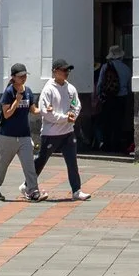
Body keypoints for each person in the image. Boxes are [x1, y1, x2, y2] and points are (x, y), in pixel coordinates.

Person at [37, 58, 89, 200]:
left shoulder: (71, 88)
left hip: (68, 132)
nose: (67, 73)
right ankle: (28, 184)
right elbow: (46, 113)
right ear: (55, 72)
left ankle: (76, 190)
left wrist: (73, 115)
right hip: (51, 133)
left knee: (72, 162)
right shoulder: (48, 90)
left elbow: (76, 105)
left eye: (68, 70)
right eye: (64, 70)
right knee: (41, 159)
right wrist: (64, 118)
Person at [0, 63, 39, 202]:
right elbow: (7, 114)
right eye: (20, 76)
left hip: (24, 136)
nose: (23, 78)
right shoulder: (9, 92)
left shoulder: (28, 91)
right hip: (7, 136)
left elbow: (33, 110)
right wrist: (17, 101)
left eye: (24, 75)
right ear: (13, 77)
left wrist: (46, 110)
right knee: (2, 164)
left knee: (29, 165)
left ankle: (33, 190)